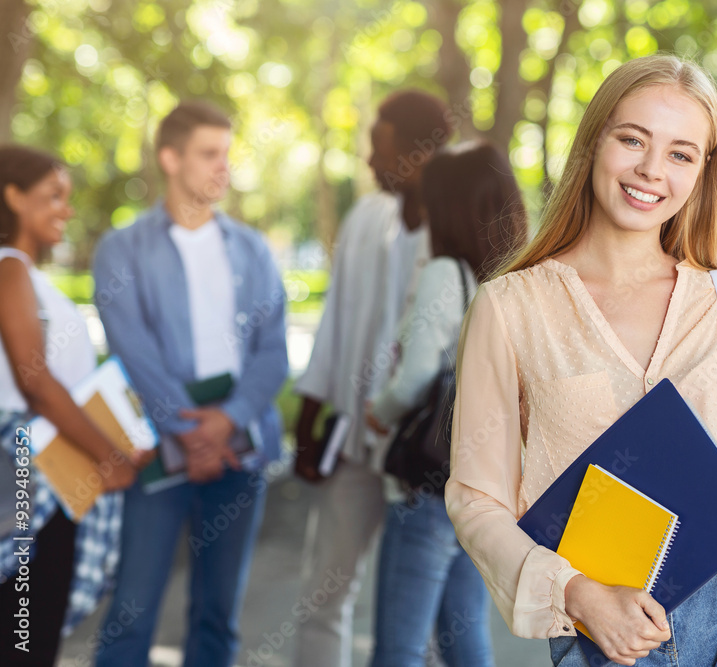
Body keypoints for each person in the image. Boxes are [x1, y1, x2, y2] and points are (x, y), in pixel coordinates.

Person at [445, 54, 717, 667]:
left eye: (681, 153)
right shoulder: (510, 308)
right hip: (602, 632)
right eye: (632, 139)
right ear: (595, 142)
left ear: (703, 172)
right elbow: (476, 498)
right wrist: (575, 595)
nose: (651, 170)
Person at [91, 101, 288, 667]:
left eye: (227, 154)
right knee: (131, 612)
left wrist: (226, 422)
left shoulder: (252, 249)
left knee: (217, 617)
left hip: (239, 450)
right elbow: (134, 352)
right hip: (156, 448)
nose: (222, 168)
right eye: (208, 154)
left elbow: (273, 352)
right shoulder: (121, 249)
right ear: (170, 158)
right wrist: (188, 434)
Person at [292, 90, 454, 667]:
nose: (367, 161)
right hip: (356, 449)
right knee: (325, 593)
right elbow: (334, 323)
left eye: (377, 148)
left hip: (422, 461)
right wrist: (310, 420)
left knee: (426, 623)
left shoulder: (456, 226)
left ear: (417, 151)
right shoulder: (365, 218)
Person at [365, 141, 527, 666]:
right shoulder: (519, 280)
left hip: (430, 487)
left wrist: (379, 411)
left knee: (399, 646)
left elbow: (415, 378)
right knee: (463, 638)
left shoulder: (445, 275)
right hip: (489, 487)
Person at [0, 146, 150, 666]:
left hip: (46, 472)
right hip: (27, 474)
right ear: (12, 196)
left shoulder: (25, 274)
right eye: (52, 196)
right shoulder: (10, 269)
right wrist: (110, 457)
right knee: (24, 637)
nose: (65, 208)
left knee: (29, 630)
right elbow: (37, 383)